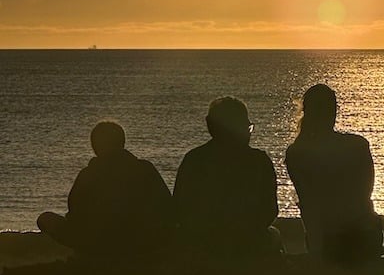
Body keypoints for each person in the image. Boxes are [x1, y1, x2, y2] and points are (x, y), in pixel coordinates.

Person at [37, 120, 173, 259]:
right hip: (141, 242)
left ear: (95, 146)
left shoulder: (88, 174)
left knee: (45, 219)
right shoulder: (145, 168)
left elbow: (75, 213)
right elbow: (166, 206)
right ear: (122, 143)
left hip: (96, 244)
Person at [285, 83, 384, 265]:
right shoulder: (357, 145)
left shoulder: (296, 153)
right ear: (333, 112)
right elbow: (365, 192)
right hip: (363, 238)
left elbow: (307, 201)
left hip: (322, 241)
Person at [173, 96, 280, 260]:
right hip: (247, 245)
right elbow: (270, 210)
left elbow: (180, 208)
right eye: (246, 128)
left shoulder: (194, 160)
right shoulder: (259, 162)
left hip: (202, 247)